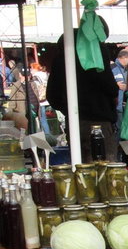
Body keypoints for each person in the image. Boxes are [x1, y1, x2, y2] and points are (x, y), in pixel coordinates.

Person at [46, 30, 120, 162]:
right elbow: (111, 87)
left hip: (74, 122)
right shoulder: (95, 52)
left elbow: (52, 96)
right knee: (103, 169)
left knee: (80, 169)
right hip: (99, 121)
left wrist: (69, 109)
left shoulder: (61, 57)